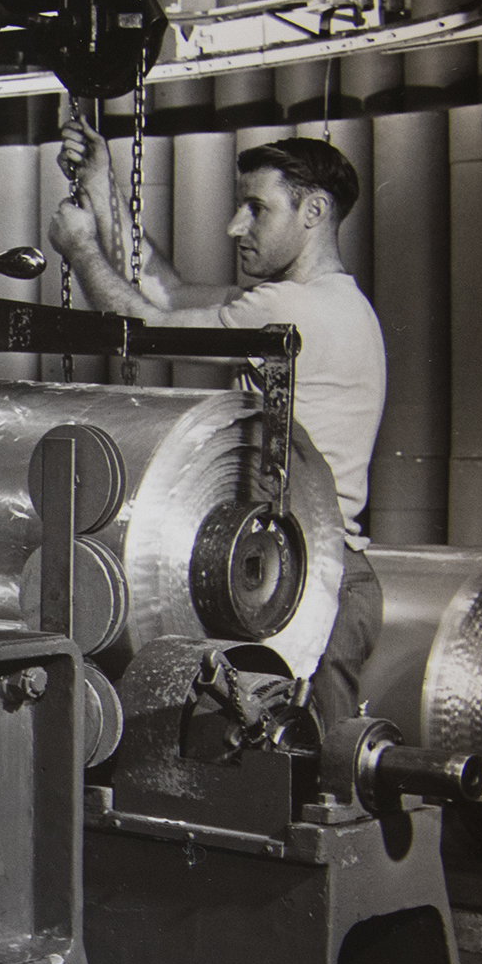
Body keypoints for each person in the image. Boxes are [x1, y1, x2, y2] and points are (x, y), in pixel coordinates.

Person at [47, 122, 386, 728]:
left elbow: (142, 324)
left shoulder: (292, 309)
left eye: (256, 209)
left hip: (310, 587)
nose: (235, 226)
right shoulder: (330, 302)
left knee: (315, 792)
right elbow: (171, 293)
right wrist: (103, 187)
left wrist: (79, 251)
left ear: (314, 211)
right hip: (314, 578)